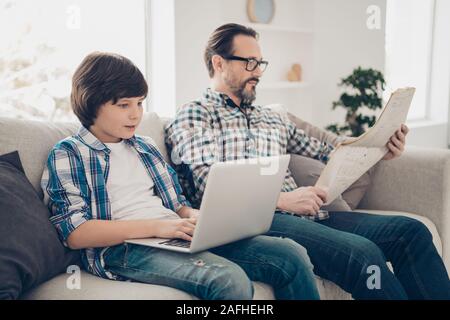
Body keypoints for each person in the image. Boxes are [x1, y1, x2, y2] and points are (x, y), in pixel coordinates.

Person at [165, 23, 450, 299]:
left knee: (410, 233)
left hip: (310, 216)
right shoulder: (195, 115)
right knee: (362, 256)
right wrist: (283, 200)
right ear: (219, 63)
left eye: (260, 63)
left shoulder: (271, 118)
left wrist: (380, 148)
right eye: (249, 63)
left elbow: (331, 152)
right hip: (257, 222)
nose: (258, 72)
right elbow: (210, 188)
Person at [41, 51, 322, 300]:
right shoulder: (70, 153)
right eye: (124, 105)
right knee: (227, 279)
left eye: (139, 104)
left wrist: (197, 216)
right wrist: (159, 228)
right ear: (91, 103)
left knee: (291, 255)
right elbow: (76, 234)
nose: (135, 115)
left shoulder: (144, 147)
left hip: (173, 233)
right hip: (122, 248)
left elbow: (177, 205)